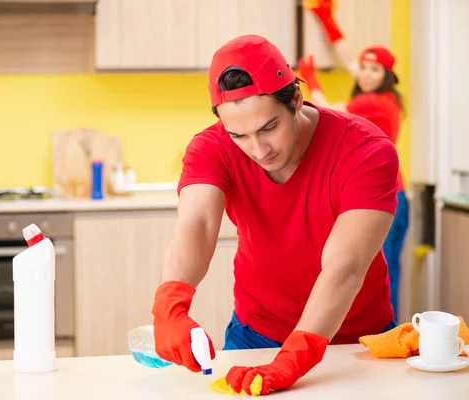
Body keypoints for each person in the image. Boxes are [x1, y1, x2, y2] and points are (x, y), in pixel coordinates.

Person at [149, 33, 400, 396]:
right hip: (256, 335)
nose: (258, 149)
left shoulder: (365, 149)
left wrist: (294, 357)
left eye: (269, 128)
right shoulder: (211, 147)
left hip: (357, 344)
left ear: (296, 98)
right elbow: (197, 224)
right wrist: (170, 302)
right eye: (240, 136)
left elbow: (345, 265)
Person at [298, 0, 408, 322]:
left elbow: (329, 112)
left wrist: (311, 82)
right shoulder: (373, 93)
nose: (366, 74)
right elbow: (349, 58)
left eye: (376, 70)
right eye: (365, 67)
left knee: (382, 276)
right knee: (381, 272)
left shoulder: (376, 103)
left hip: (388, 199)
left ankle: (386, 334)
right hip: (389, 196)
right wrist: (327, 20)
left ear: (387, 76)